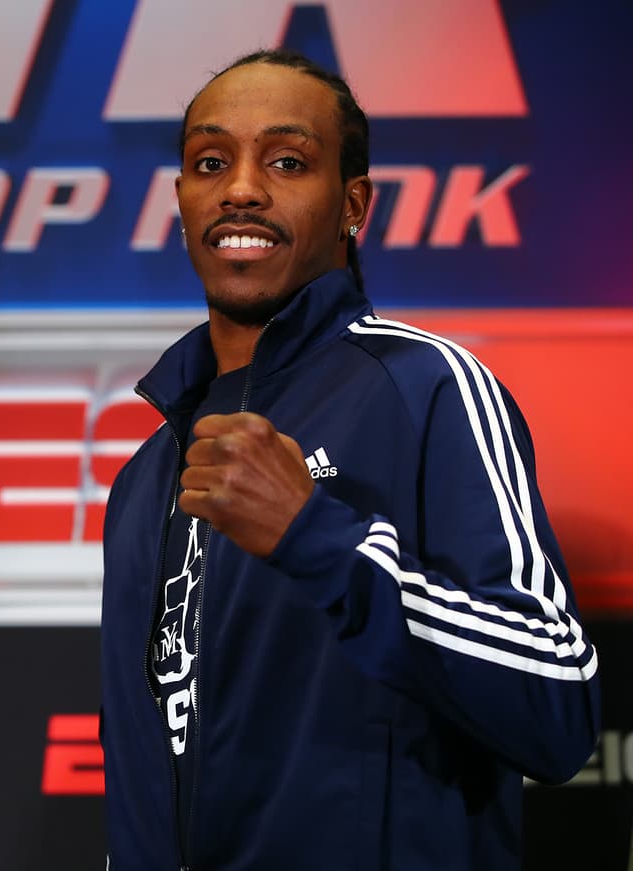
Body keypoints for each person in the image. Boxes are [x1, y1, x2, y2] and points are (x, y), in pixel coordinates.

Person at [99, 49, 599, 870]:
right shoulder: (146, 473)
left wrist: (316, 537)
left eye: (288, 161)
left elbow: (558, 698)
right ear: (183, 200)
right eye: (210, 162)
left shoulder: (428, 387)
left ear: (353, 205)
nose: (243, 189)